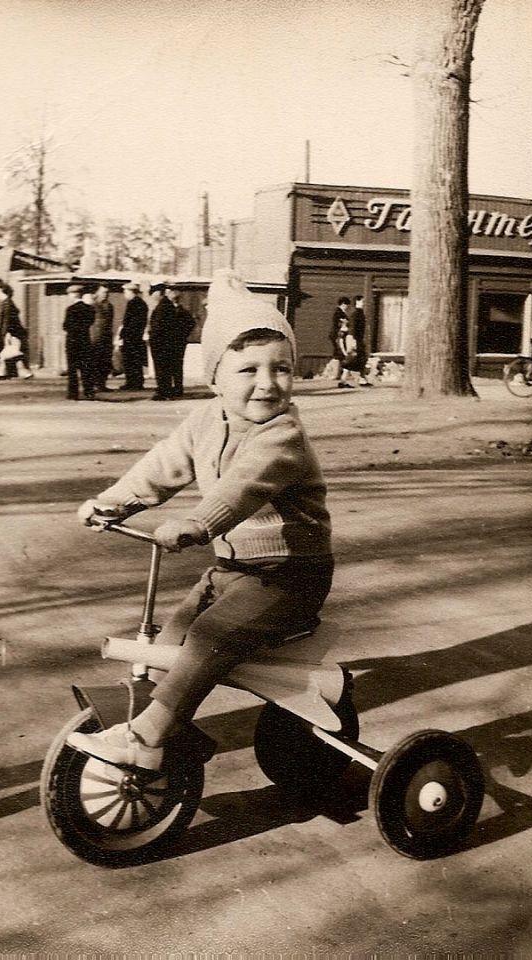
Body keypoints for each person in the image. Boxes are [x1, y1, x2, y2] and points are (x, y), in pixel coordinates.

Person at [66, 269, 333, 770]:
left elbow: (245, 485)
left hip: (290, 576)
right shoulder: (205, 420)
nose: (267, 384)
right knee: (172, 639)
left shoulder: (283, 435)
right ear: (215, 378)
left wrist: (199, 523)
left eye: (281, 368)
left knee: (210, 637)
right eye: (248, 370)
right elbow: (164, 464)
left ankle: (149, 736)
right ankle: (159, 721)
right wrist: (115, 501)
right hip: (232, 571)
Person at [63, 283, 95, 400]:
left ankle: (73, 393)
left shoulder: (70, 309)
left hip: (72, 341)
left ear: (73, 295)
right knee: (86, 367)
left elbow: (66, 326)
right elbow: (90, 322)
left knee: (72, 368)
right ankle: (89, 391)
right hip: (85, 340)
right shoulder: (90, 309)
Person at [148, 284, 177, 400]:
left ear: (158, 293)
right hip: (164, 342)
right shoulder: (166, 305)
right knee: (164, 368)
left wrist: (152, 336)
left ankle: (163, 391)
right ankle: (164, 390)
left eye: (153, 294)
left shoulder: (163, 306)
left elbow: (158, 326)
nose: (152, 296)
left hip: (161, 343)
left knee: (162, 368)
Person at [167, 287, 196, 398]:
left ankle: (176, 388)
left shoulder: (177, 311)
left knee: (173, 366)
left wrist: (182, 334)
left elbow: (190, 323)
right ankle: (178, 387)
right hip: (179, 341)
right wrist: (184, 334)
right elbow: (191, 323)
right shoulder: (183, 310)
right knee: (177, 366)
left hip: (174, 341)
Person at [120, 282, 148, 391]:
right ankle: (137, 382)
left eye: (125, 292)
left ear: (130, 292)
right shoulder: (141, 303)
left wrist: (123, 334)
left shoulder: (133, 304)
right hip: (137, 336)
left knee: (130, 361)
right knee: (136, 361)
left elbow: (129, 322)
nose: (124, 294)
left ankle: (132, 382)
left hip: (131, 337)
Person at [90, 284, 114, 392]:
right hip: (95, 337)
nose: (106, 295)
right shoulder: (92, 306)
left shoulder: (109, 306)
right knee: (95, 361)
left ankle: (102, 384)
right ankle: (94, 384)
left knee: (105, 361)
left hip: (106, 337)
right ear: (97, 293)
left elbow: (109, 322)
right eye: (104, 292)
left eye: (107, 292)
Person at [348, 295, 371, 387]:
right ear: (357, 302)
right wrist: (353, 341)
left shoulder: (360, 313)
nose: (364, 303)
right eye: (362, 301)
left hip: (359, 339)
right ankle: (357, 379)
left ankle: (361, 378)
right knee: (358, 358)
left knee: (361, 358)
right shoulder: (356, 314)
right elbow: (353, 328)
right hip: (356, 339)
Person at [330, 296, 354, 388]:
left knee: (338, 354)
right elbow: (341, 323)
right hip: (339, 335)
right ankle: (336, 374)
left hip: (338, 335)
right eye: (346, 305)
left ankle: (337, 374)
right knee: (340, 354)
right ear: (343, 304)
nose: (347, 307)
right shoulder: (339, 312)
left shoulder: (339, 312)